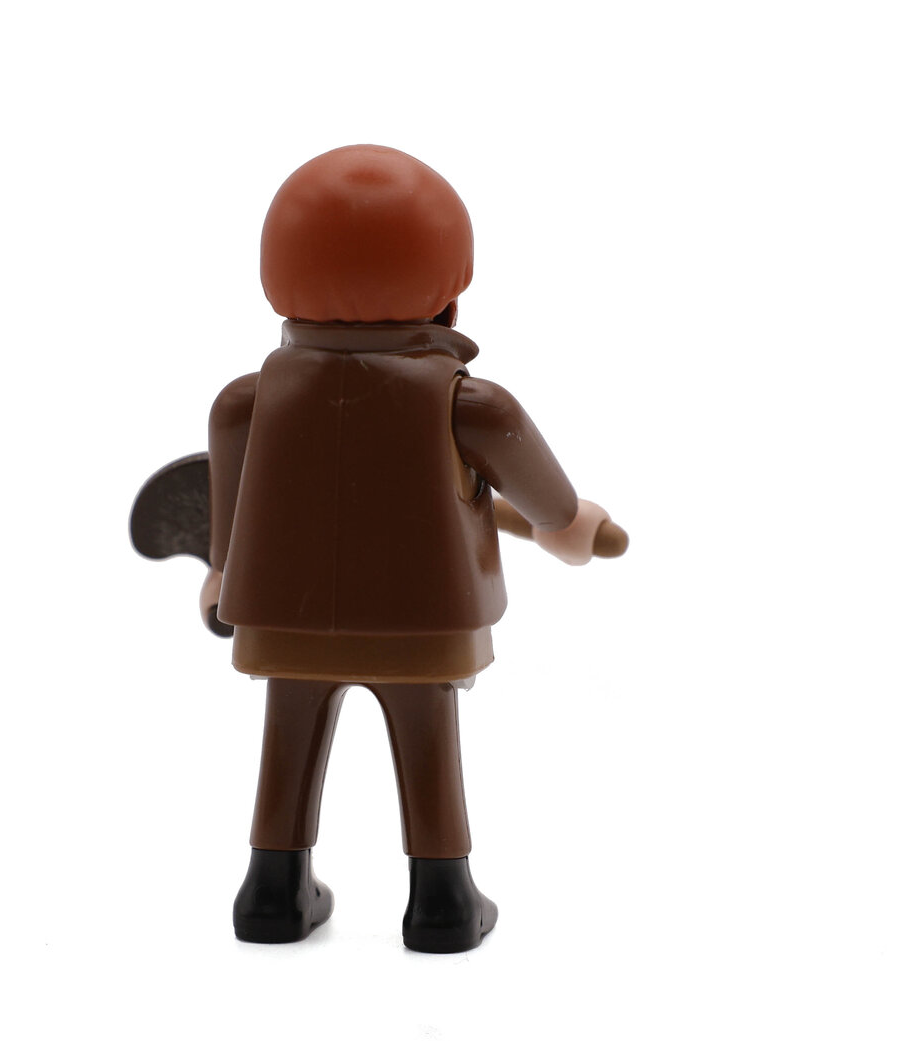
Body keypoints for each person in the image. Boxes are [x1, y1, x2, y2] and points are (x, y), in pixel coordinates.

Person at [200, 145, 626, 952]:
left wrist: (222, 574)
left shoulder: (248, 401)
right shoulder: (470, 403)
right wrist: (568, 527)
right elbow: (549, 502)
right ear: (449, 300)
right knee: (428, 742)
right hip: (423, 624)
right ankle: (443, 903)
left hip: (282, 621)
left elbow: (229, 515)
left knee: (287, 735)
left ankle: (271, 892)